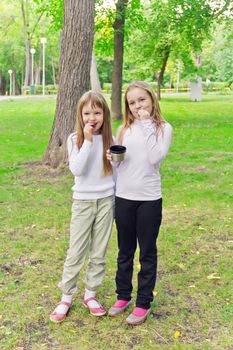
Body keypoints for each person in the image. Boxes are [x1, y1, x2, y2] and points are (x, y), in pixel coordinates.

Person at [106, 81, 173, 325]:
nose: (137, 106)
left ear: (152, 99)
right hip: (124, 198)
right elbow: (120, 165)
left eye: (141, 100)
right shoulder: (123, 129)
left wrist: (146, 123)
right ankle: (123, 296)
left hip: (149, 200)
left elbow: (155, 157)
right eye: (132, 103)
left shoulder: (163, 128)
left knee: (147, 252)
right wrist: (112, 160)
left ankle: (143, 302)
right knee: (124, 251)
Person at [50, 91, 115, 323]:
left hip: (106, 201)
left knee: (99, 250)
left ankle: (91, 294)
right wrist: (87, 140)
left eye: (97, 112)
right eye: (87, 113)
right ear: (80, 115)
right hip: (83, 202)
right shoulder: (74, 139)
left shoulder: (111, 139)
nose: (92, 117)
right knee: (76, 250)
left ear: (104, 115)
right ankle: (66, 296)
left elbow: (115, 173)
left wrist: (118, 161)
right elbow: (76, 169)